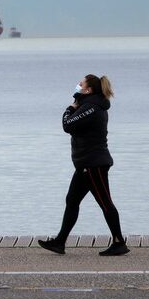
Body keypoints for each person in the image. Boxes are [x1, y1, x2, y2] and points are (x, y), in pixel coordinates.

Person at [39, 75, 129, 256]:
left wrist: (69, 108)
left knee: (105, 203)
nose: (78, 85)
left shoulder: (91, 108)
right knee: (72, 200)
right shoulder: (88, 105)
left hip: (93, 164)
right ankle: (60, 242)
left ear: (88, 90)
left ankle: (119, 242)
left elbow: (67, 125)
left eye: (81, 84)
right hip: (85, 164)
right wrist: (76, 105)